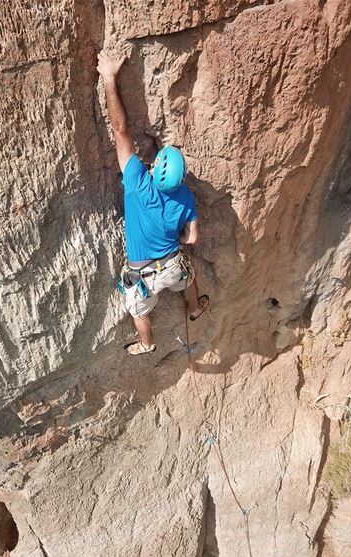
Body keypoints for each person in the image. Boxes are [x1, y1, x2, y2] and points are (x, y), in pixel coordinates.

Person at [97, 50, 209, 356]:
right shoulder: (186, 196)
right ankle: (195, 309)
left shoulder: (136, 181)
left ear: (155, 166)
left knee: (139, 312)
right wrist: (179, 237)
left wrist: (109, 78)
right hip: (172, 265)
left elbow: (121, 129)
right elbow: (194, 237)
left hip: (142, 274)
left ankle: (147, 344)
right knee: (187, 279)